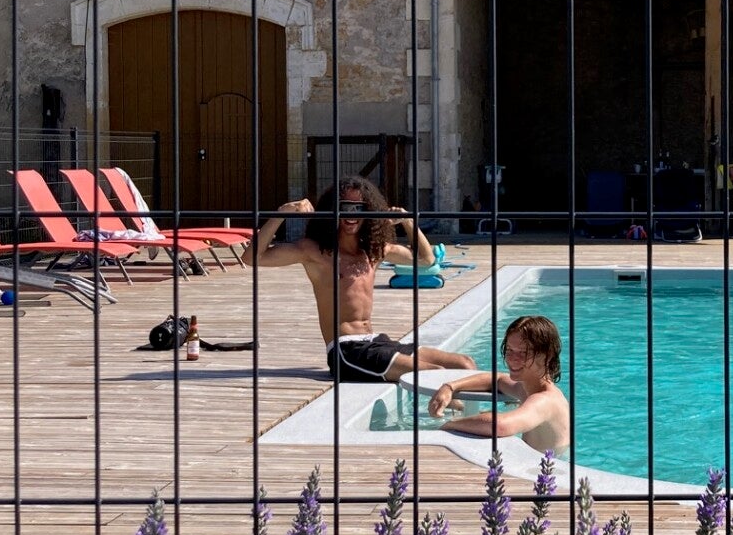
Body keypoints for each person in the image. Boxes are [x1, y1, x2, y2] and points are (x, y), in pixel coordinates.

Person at [243, 177, 475, 383]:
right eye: (345, 208)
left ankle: (472, 411)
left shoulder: (373, 252)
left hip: (376, 341)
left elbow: (426, 259)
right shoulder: (315, 252)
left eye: (359, 208)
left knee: (465, 364)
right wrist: (281, 213)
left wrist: (407, 221)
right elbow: (252, 257)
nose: (352, 215)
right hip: (346, 350)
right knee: (432, 373)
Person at [427, 314, 571, 453]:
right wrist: (450, 387)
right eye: (509, 350)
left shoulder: (545, 400)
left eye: (523, 352)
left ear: (547, 355)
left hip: (547, 469)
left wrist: (451, 424)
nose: (513, 358)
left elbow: (499, 426)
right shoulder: (526, 387)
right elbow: (497, 380)